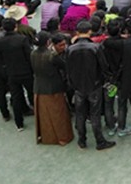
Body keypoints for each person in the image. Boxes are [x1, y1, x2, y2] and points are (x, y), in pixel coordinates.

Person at [66, 20, 116, 150]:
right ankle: (100, 141)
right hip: (94, 85)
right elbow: (104, 67)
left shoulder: (70, 49)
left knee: (80, 114)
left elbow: (68, 69)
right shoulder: (96, 47)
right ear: (90, 31)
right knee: (95, 114)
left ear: (77, 32)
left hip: (78, 86)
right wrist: (108, 79)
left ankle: (82, 140)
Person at [31, 31, 73, 145]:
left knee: (44, 116)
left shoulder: (33, 53)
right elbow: (64, 66)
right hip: (54, 88)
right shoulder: (51, 55)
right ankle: (62, 138)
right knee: (58, 114)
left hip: (38, 87)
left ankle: (47, 137)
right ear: (48, 42)